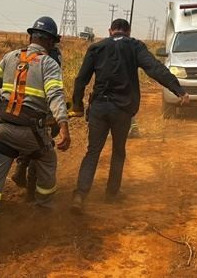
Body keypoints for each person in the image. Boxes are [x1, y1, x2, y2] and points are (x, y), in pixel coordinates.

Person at [70, 18, 189, 213]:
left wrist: (77, 105)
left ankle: (80, 195)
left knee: (92, 152)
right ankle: (111, 193)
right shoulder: (135, 46)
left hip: (99, 107)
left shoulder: (96, 47)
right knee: (118, 151)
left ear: (110, 31)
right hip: (122, 110)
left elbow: (81, 79)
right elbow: (154, 69)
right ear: (128, 31)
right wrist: (179, 89)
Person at [0, 16, 71, 241]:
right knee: (48, 160)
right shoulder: (49, 64)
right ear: (49, 42)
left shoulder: (10, 57)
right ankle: (43, 212)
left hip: (4, 129)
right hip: (31, 133)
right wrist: (64, 127)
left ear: (32, 37)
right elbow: (56, 95)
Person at [10, 45, 64, 201]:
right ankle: (34, 196)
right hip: (38, 116)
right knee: (41, 151)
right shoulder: (50, 60)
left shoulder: (23, 60)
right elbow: (54, 95)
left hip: (16, 112)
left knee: (30, 142)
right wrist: (60, 120)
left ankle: (21, 168)